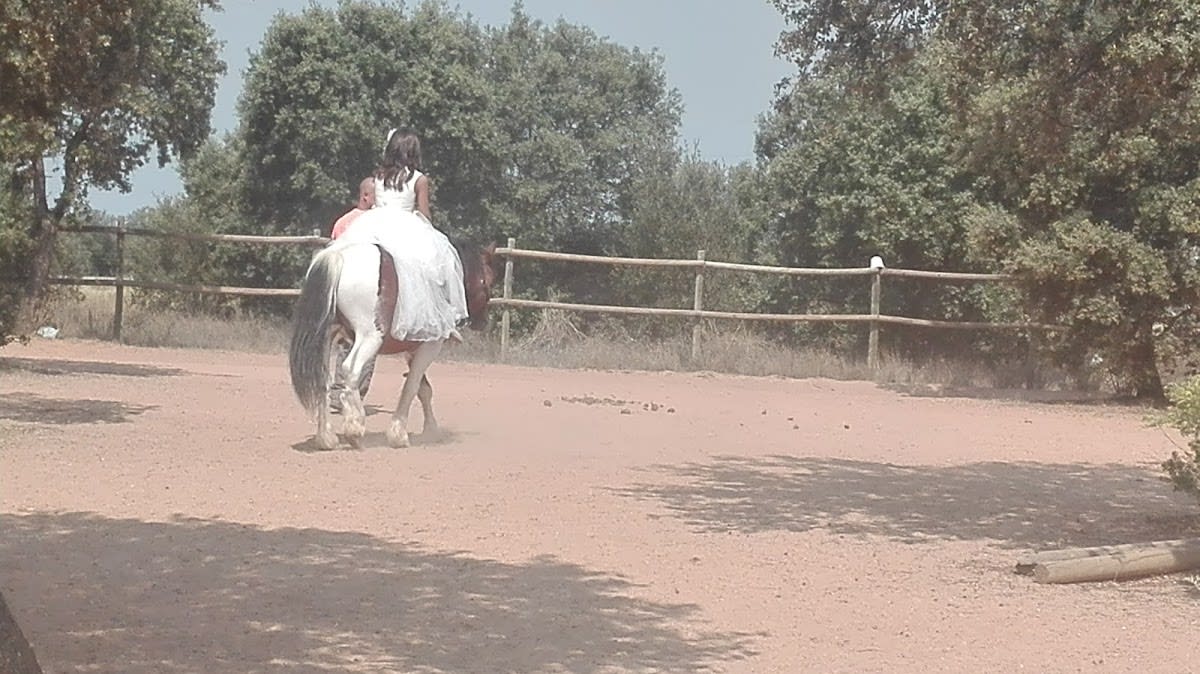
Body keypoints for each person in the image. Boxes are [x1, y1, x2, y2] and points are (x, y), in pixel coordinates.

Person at [337, 127, 468, 343]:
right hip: (407, 225)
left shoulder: (378, 177)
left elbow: (379, 204)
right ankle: (441, 318)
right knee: (433, 267)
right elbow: (425, 214)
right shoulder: (419, 179)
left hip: (375, 223)